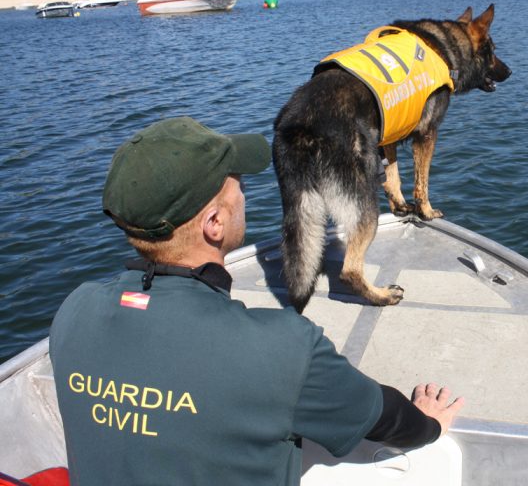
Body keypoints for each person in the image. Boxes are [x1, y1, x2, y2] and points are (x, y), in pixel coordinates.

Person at [49, 116, 464, 486]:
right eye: (239, 184)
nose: (246, 192)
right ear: (215, 223)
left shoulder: (75, 312)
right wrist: (429, 424)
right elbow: (381, 415)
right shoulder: (281, 348)